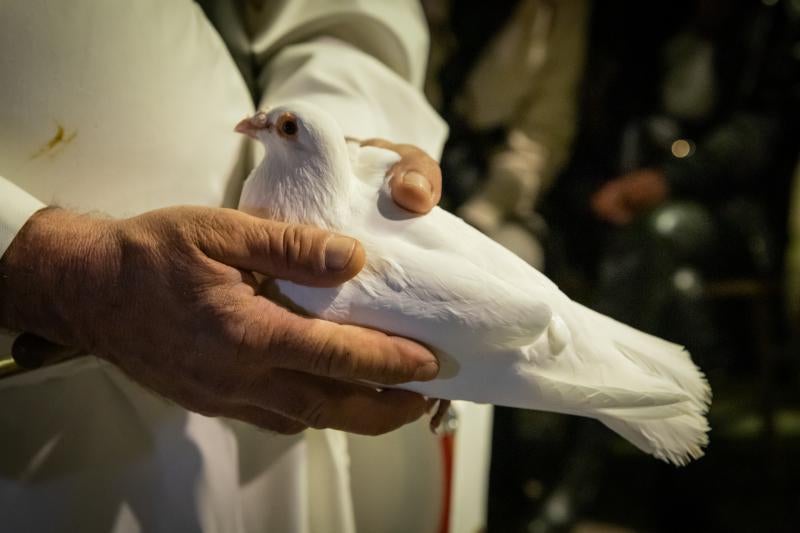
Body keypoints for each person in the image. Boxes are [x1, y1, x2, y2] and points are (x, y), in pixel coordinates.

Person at [0, 1, 493, 531]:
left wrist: (345, 156)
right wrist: (43, 265)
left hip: (297, 337)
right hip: (42, 412)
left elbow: (341, 16)